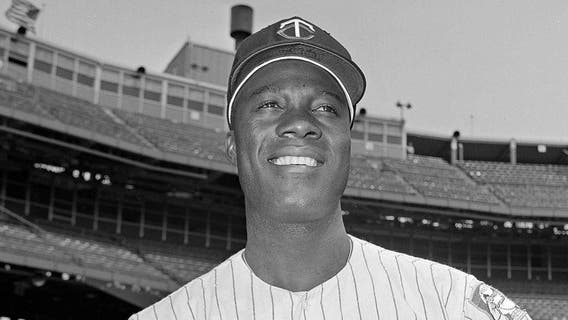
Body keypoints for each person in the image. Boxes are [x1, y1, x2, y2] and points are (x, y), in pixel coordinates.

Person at [130, 16, 531, 320]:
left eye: (326, 108)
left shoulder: (449, 304)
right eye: (269, 104)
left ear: (347, 144)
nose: (300, 122)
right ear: (233, 146)